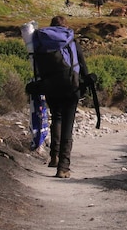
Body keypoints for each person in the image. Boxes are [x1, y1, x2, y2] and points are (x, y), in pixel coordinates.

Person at [31, 15, 92, 178]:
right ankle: (63, 167)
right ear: (65, 26)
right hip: (70, 87)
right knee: (67, 125)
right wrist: (88, 79)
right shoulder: (71, 41)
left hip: (50, 86)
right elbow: (83, 66)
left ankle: (54, 157)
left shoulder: (43, 41)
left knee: (56, 117)